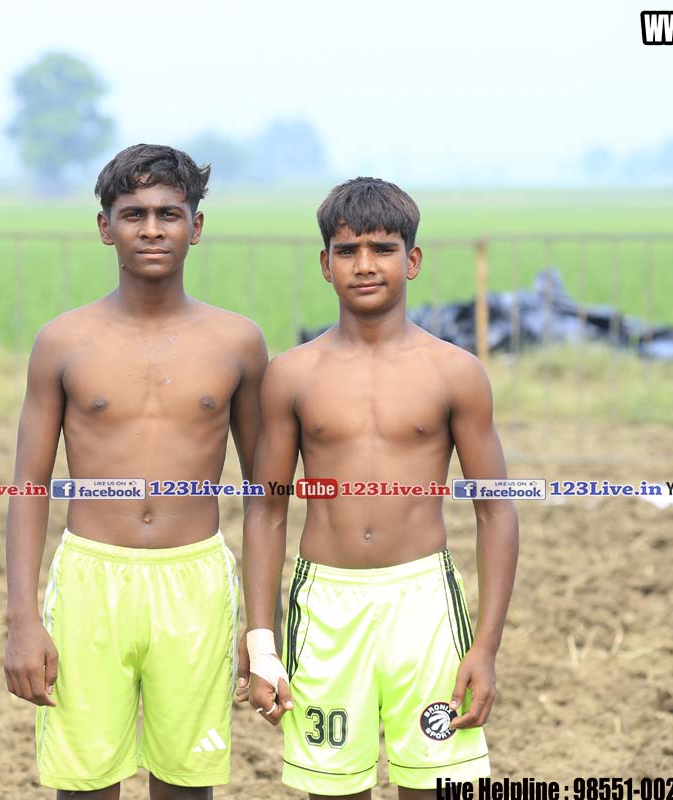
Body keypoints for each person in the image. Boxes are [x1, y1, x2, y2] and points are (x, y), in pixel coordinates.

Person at [3, 144, 268, 800]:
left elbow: (265, 496)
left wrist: (261, 629)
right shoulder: (62, 342)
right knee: (85, 784)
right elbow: (29, 487)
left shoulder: (237, 342)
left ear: (195, 227)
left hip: (195, 580)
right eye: (134, 214)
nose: (152, 229)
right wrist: (22, 618)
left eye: (168, 214)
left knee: (186, 784)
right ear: (105, 227)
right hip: (90, 578)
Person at [242, 177, 519, 797]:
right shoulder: (290, 375)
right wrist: (261, 643)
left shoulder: (455, 372)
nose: (365, 265)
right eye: (347, 250)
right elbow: (265, 511)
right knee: (333, 788)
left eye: (382, 249)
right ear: (325, 264)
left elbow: (496, 512)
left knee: (435, 784)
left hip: (424, 601)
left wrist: (485, 648)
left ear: (411, 260)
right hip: (324, 604)